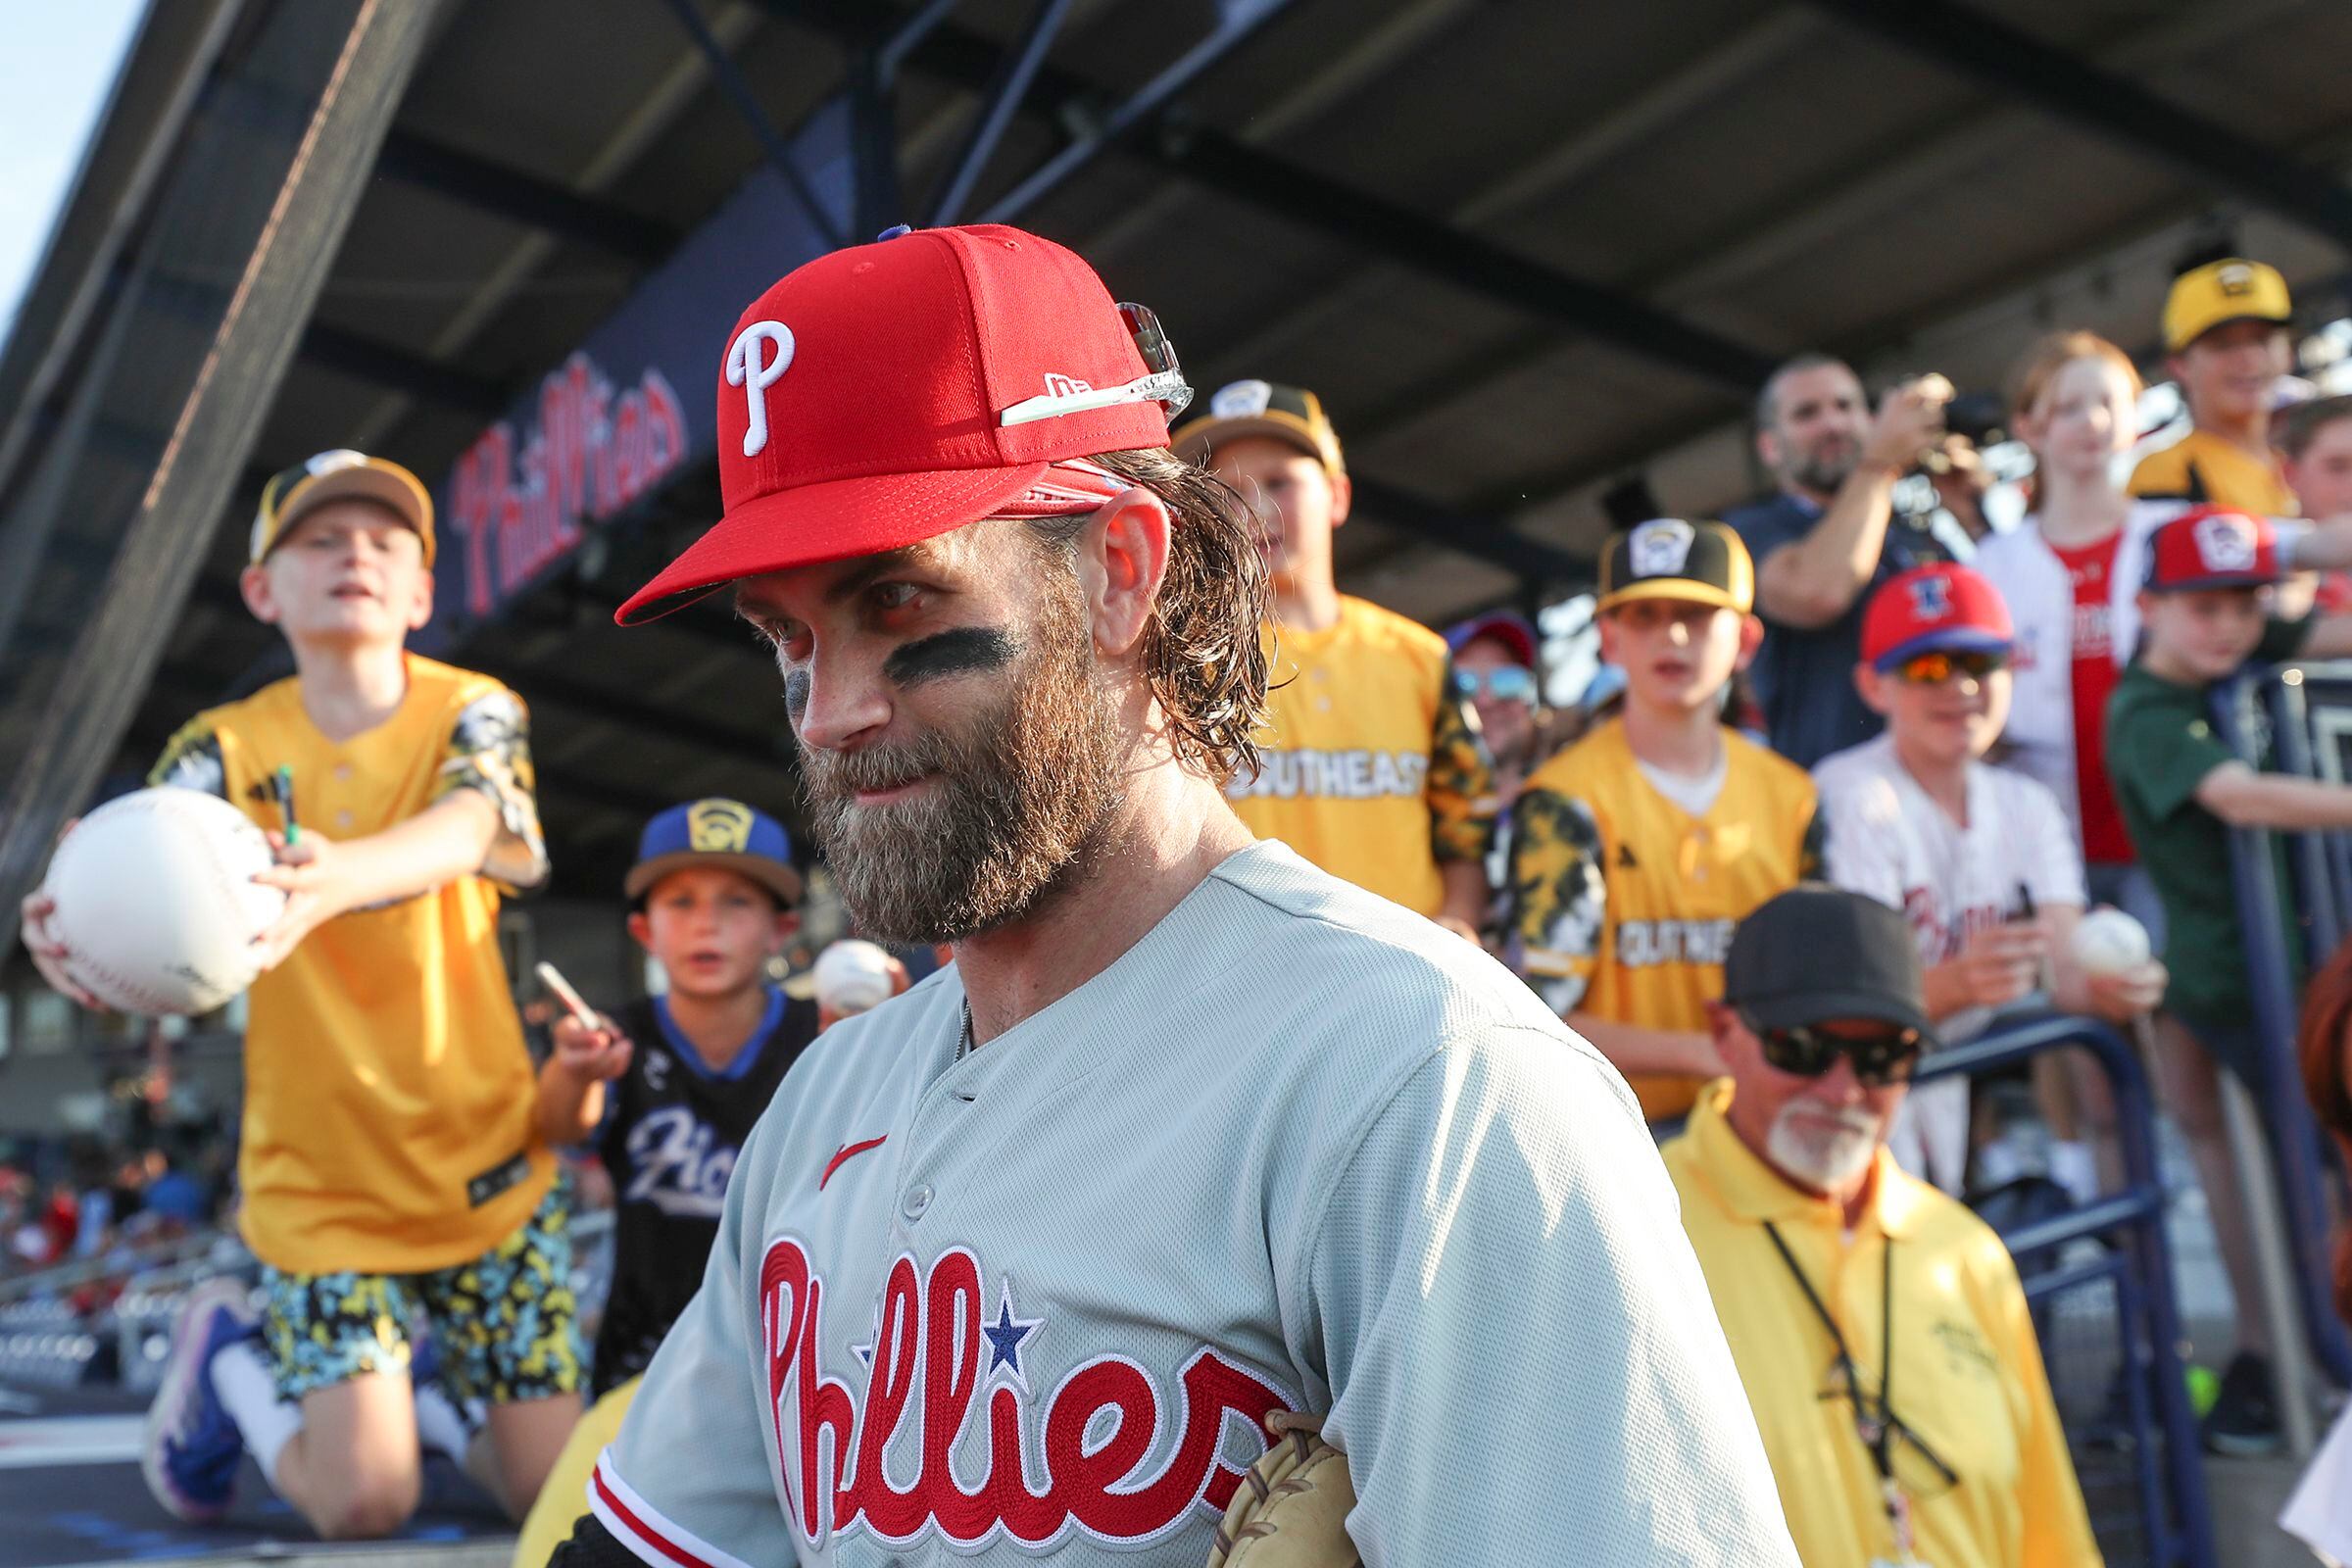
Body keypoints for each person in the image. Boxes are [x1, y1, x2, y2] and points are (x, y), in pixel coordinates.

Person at [547, 223, 1797, 1565]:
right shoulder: (825, 1106)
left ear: (1122, 573)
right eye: (788, 638)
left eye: (901, 601)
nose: (835, 710)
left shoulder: (1428, 1084)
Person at [19, 451, 581, 1538]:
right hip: (322, 1190)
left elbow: (480, 825)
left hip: (489, 1168)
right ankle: (230, 1361)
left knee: (552, 1509)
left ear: (421, 590)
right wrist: (67, 914)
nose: (355, 554)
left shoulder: (477, 707)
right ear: (262, 590)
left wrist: (335, 880)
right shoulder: (223, 748)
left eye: (384, 540)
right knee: (366, 1504)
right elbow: (136, 858)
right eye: (320, 539)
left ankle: (416, 1397)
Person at [1665, 885, 2103, 1568]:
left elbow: (2050, 1532)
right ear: (1724, 1032)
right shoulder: (1643, 1228)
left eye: (1882, 1060)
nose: (1842, 1092)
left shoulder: (1965, 1251)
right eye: (1804, 1049)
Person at [512, 799, 824, 1568]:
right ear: (644, 932)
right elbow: (561, 1128)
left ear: (783, 929)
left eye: (736, 902)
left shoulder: (825, 1037)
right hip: (644, 1363)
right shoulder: (618, 1037)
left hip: (800, 1360)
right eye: (679, 902)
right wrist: (572, 1071)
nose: (706, 924)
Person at [2106, 505, 2352, 1454]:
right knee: (2309, 1181)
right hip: (2234, 988)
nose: (2227, 626)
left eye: (2244, 604)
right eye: (2200, 605)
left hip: (2300, 973)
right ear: (2149, 605)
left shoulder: (2242, 645)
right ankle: (2310, 1367)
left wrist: (2291, 544)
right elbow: (2240, 798)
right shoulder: (2143, 707)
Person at [1814, 564, 2165, 1194]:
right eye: (1927, 668)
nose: (1960, 687)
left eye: (1980, 663)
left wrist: (2116, 989)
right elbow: (1856, 1005)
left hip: (1939, 1070)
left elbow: (2070, 972)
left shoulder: (2025, 802)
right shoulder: (1853, 794)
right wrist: (1958, 983)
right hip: (1838, 1085)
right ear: (1873, 685)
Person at [1506, 519, 1820, 1123]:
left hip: (1767, 1132)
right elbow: (1541, 1015)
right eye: (1643, 616)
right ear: (1609, 639)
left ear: (1747, 639)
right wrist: (1704, 1054)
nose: (1670, 635)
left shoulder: (1794, 796)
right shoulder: (1564, 798)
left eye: (1696, 615)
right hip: (1621, 1140)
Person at [1172, 381, 1496, 935]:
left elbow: (1465, 829)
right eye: (1229, 490)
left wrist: (1458, 921)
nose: (1257, 508)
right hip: (1247, 974)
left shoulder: (1419, 656)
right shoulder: (1181, 658)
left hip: (1404, 974)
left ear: (1338, 496)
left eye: (1280, 482)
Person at [1726, 353, 1961, 768]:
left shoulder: (1913, 530)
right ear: (1769, 446)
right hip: (1829, 794)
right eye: (1806, 414)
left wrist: (1973, 515)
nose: (1832, 424)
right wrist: (1879, 463)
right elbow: (1817, 594)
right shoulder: (1753, 530)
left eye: (1845, 406)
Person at [2129, 254, 2298, 516]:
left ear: (2288, 351)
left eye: (2262, 340)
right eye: (2223, 344)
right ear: (2179, 365)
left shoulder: (2313, 466)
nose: (2248, 358)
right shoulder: (2167, 472)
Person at [1445, 609, 1560, 945]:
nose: (1486, 699)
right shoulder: (1412, 812)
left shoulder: (1576, 798)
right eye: (1462, 684)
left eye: (1507, 681)